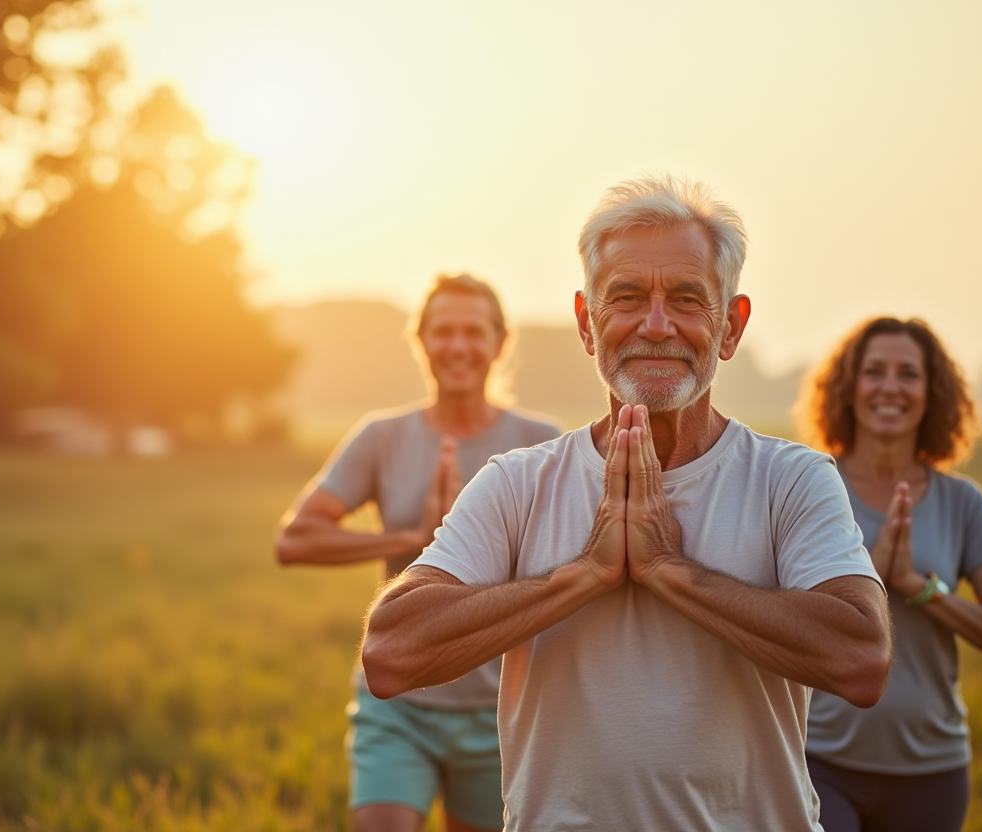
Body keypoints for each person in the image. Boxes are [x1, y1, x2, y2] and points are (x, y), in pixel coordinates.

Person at [360, 175, 895, 831]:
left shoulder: (791, 479)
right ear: (588, 323)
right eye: (628, 297)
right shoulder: (518, 484)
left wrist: (673, 570)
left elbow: (862, 660)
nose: (657, 324)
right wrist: (582, 575)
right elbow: (391, 653)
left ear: (731, 326)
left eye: (688, 298)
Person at [275, 274, 560, 832]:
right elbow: (295, 539)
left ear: (500, 343)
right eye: (443, 331)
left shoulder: (540, 441)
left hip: (500, 710)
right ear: (422, 341)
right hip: (396, 704)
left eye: (473, 332)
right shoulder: (383, 437)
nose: (458, 346)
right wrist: (416, 538)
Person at [798, 317, 982, 832]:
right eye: (874, 371)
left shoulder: (962, 501)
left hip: (933, 772)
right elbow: (780, 616)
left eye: (909, 374)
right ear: (848, 390)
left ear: (932, 393)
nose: (891, 386)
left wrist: (919, 588)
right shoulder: (810, 488)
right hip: (820, 762)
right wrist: (871, 577)